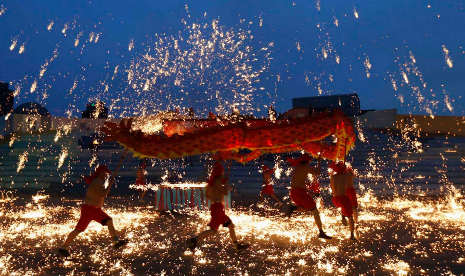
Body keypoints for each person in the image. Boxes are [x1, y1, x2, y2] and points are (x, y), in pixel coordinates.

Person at [58, 152, 127, 257]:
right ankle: (63, 247)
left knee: (106, 221)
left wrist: (108, 184)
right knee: (79, 229)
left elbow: (102, 192)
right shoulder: (97, 182)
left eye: (107, 174)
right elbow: (103, 194)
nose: (106, 175)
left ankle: (115, 242)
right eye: (105, 174)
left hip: (94, 209)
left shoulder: (98, 181)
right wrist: (110, 185)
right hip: (90, 210)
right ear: (101, 173)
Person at [187, 160, 248, 250]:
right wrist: (227, 186)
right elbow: (224, 192)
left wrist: (223, 186)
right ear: (220, 172)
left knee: (228, 226)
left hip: (215, 208)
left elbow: (208, 195)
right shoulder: (218, 182)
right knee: (214, 230)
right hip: (218, 209)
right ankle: (194, 240)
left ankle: (237, 246)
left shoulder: (211, 183)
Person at [286, 153, 331, 239]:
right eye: (309, 161)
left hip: (293, 192)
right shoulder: (305, 167)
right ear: (307, 162)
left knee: (308, 209)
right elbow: (317, 172)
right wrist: (319, 161)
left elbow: (299, 179)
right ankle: (321, 232)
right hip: (300, 193)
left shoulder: (298, 167)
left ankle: (293, 208)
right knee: (315, 210)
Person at [329, 161, 357, 240]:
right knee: (350, 217)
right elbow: (352, 175)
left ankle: (343, 216)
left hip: (335, 199)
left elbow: (332, 187)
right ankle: (352, 235)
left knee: (343, 207)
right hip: (343, 198)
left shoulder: (332, 177)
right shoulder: (346, 176)